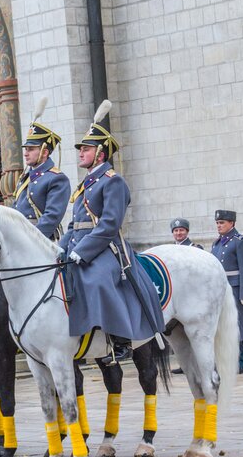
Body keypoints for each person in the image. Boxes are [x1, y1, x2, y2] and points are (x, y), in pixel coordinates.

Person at [60, 101, 165, 364]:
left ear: (100, 153)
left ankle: (121, 340)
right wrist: (60, 248)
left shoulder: (113, 181)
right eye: (81, 148)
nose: (81, 152)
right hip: (79, 245)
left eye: (86, 148)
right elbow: (74, 224)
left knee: (98, 279)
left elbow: (109, 225)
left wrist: (82, 251)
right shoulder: (86, 183)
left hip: (106, 247)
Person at [212, 210, 243, 373]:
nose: (219, 225)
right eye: (217, 223)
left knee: (242, 325)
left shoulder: (240, 242)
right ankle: (229, 361)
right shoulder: (217, 243)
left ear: (231, 223)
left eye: (222, 222)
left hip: (237, 289)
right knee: (225, 326)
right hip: (222, 290)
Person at [14, 113, 71, 240]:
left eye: (30, 149)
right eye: (26, 149)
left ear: (44, 152)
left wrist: (31, 239)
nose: (25, 153)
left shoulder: (56, 178)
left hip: (41, 240)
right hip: (19, 237)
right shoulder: (25, 178)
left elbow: (52, 217)